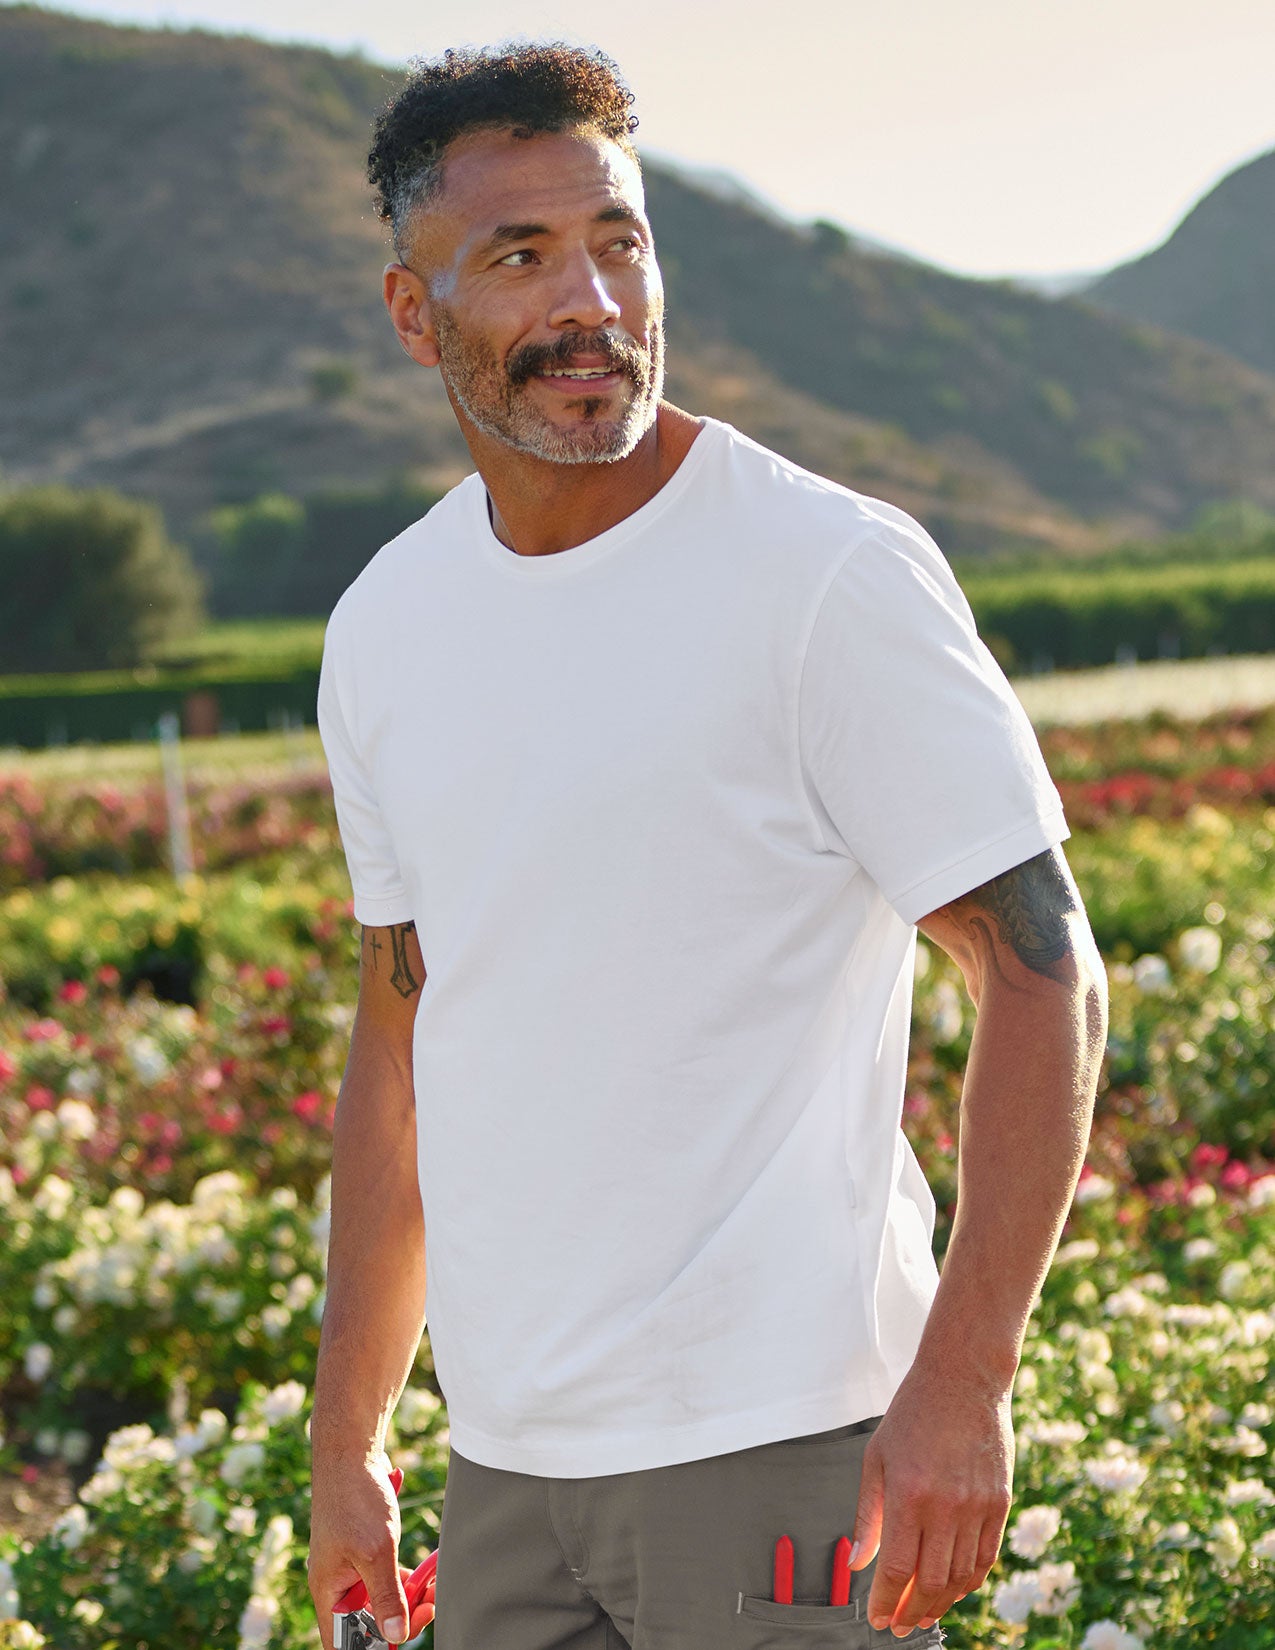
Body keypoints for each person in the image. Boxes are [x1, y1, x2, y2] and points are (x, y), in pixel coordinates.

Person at [308, 42, 1107, 1650]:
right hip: (509, 1469)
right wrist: (345, 1442)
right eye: (521, 259)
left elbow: (1041, 978)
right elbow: (403, 1037)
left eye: (617, 240)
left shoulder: (824, 577)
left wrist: (961, 1386)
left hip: (784, 1452)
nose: (590, 300)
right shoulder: (386, 625)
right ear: (415, 313)